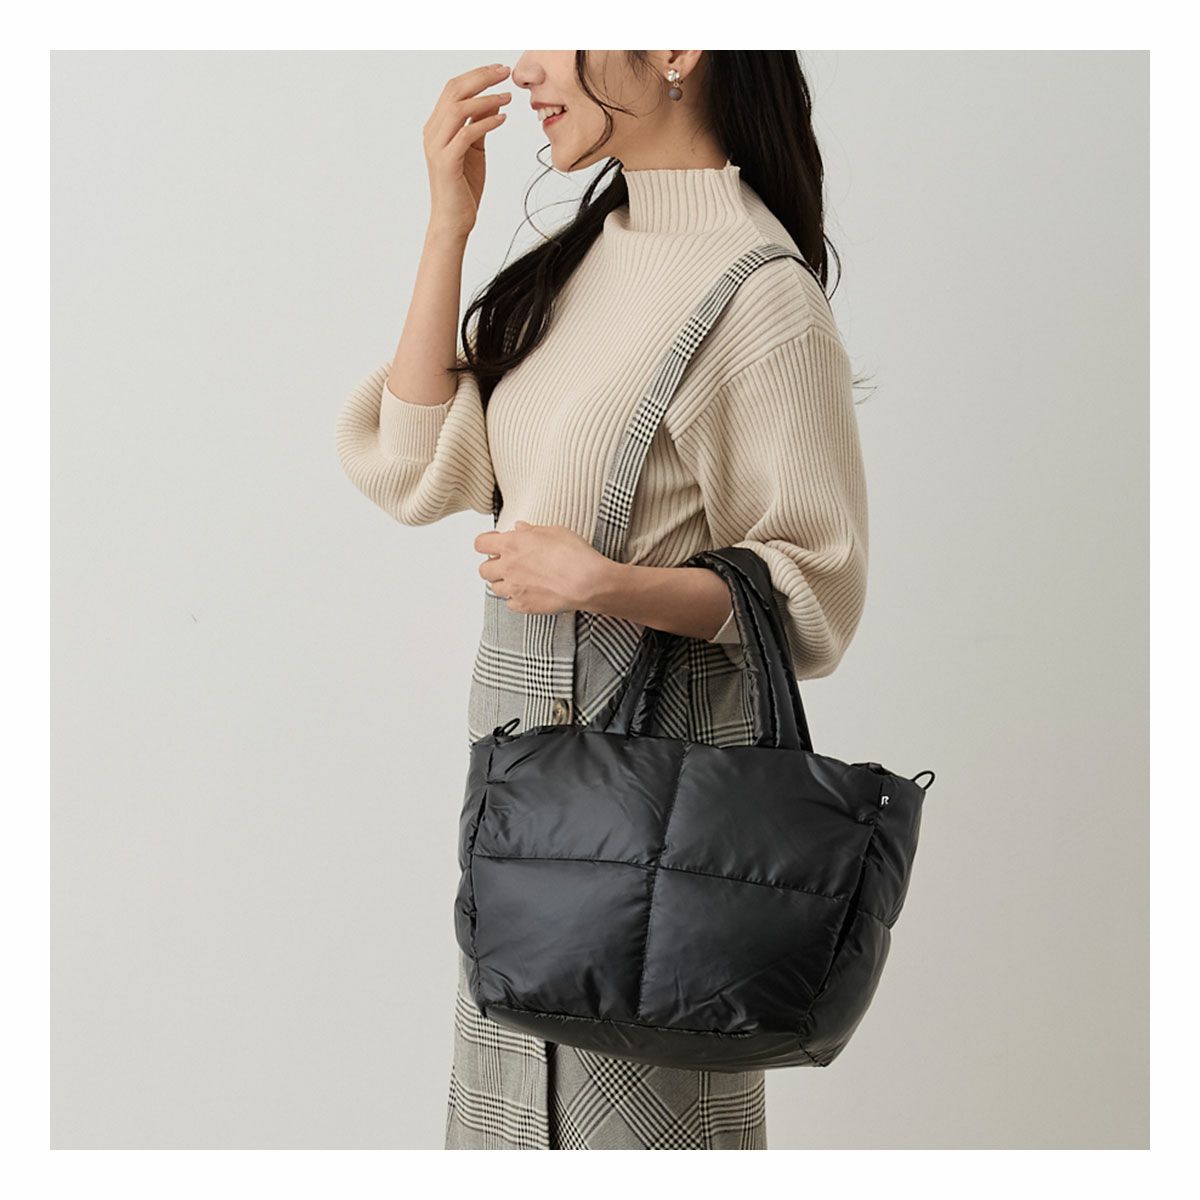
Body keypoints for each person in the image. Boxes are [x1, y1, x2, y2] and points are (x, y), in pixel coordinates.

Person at [335, 50, 869, 1151]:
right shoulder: (589, 255)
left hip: (655, 840)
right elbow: (414, 468)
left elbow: (816, 597)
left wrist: (604, 585)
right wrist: (448, 225)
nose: (529, 66)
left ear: (677, 51)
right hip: (528, 825)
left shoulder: (758, 295)